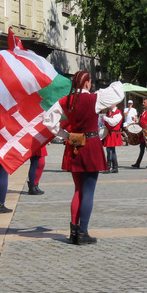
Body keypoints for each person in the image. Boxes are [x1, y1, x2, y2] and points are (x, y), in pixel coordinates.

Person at [44, 72, 124, 245]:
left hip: (73, 143)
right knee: (88, 191)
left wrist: (65, 135)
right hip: (90, 144)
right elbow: (118, 91)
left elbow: (48, 121)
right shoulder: (95, 99)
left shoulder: (66, 100)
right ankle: (83, 232)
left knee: (78, 190)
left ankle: (74, 231)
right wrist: (115, 81)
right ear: (87, 83)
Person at [131, 98, 147, 168]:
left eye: (144, 102)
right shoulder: (143, 111)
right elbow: (140, 120)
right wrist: (136, 120)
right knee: (142, 148)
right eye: (143, 102)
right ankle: (138, 163)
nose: (143, 104)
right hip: (142, 132)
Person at [101, 104, 123, 174]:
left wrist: (105, 118)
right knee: (111, 151)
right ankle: (115, 167)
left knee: (109, 150)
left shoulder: (118, 113)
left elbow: (112, 123)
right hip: (110, 132)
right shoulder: (109, 112)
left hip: (113, 133)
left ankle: (108, 167)